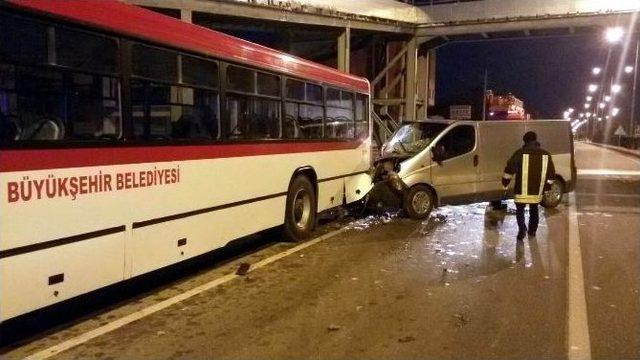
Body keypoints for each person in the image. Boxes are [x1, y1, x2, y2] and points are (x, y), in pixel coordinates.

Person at [502, 131, 556, 240]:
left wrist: (505, 183)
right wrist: (547, 187)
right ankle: (532, 231)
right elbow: (551, 174)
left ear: (525, 141)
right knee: (534, 209)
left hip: (521, 190)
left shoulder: (519, 153)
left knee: (520, 210)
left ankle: (522, 229)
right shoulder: (546, 154)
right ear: (536, 140)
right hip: (537, 191)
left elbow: (510, 169)